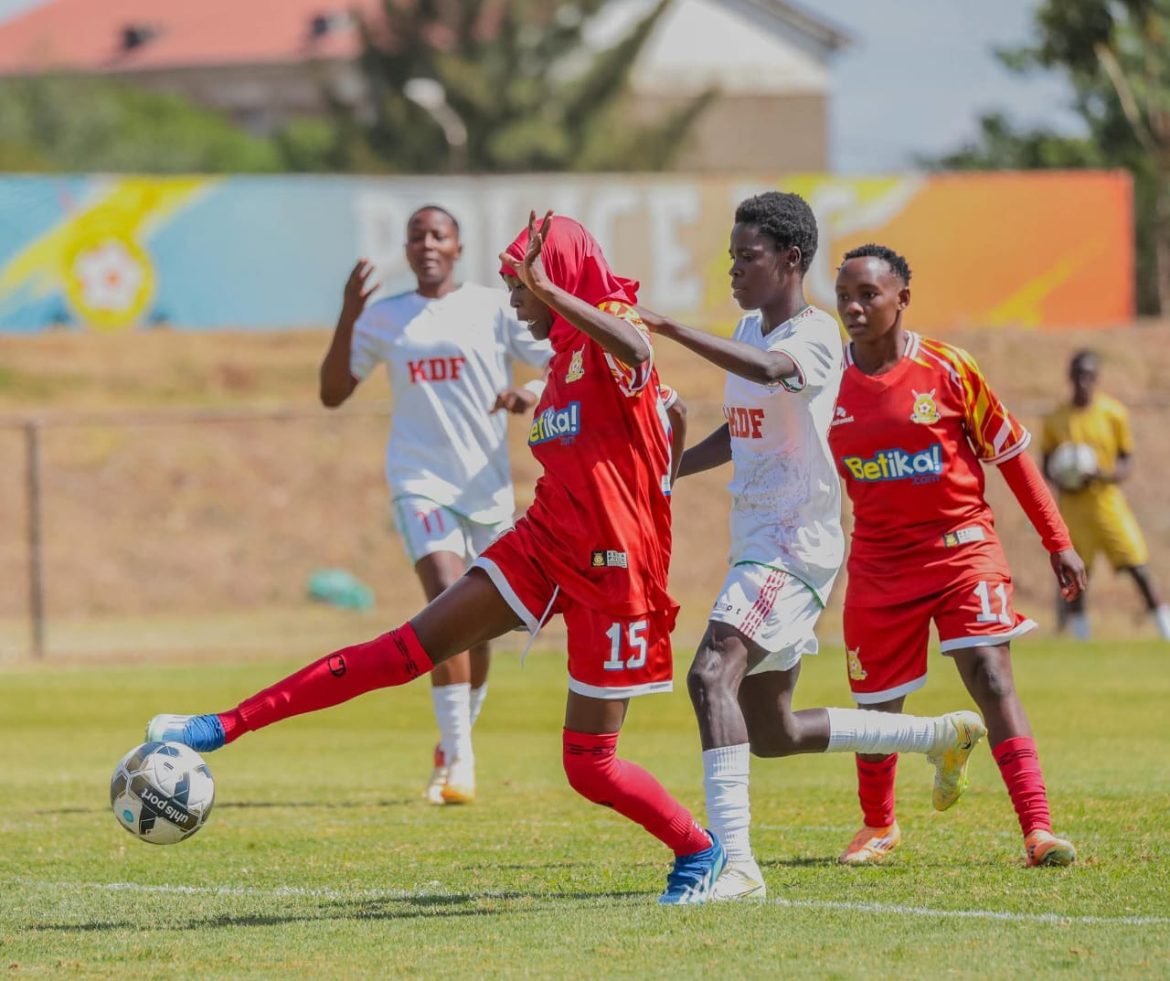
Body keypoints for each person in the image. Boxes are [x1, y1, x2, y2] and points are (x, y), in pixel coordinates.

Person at [146, 211, 724, 905]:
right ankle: (220, 725)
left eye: (522, 283)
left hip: (614, 573)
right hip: (544, 542)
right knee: (402, 649)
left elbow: (636, 349)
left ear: (558, 279)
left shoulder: (606, 331)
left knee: (589, 766)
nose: (514, 296)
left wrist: (554, 293)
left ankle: (698, 848)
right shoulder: (563, 356)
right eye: (512, 283)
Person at [637, 192, 987, 901]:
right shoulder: (748, 325)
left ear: (791, 260)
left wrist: (670, 328)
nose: (734, 268)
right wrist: (665, 468)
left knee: (710, 675)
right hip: (759, 541)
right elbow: (743, 428)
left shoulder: (817, 335)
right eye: (731, 255)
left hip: (792, 544)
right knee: (772, 730)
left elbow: (769, 372)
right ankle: (940, 736)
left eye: (748, 256)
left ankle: (737, 865)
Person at [829, 243, 1087, 868]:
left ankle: (1038, 829)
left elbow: (1013, 457)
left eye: (869, 295)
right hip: (878, 562)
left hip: (960, 549)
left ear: (902, 299)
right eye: (844, 297)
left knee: (992, 677)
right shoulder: (824, 379)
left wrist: (1060, 541)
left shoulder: (948, 369)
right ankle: (879, 825)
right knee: (876, 707)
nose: (854, 308)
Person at [318, 204, 553, 805]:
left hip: (487, 488)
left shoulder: (490, 307)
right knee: (448, 600)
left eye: (438, 235)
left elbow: (559, 367)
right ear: (406, 248)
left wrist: (526, 391)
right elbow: (333, 393)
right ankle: (463, 763)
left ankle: (451, 747)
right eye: (416, 236)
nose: (426, 244)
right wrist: (348, 314)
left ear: (457, 247)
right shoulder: (387, 319)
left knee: (478, 629)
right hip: (420, 482)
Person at [1041, 350, 1170, 641]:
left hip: (1107, 503)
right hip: (1073, 507)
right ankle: (1081, 640)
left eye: (1088, 375)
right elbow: (1046, 466)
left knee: (1138, 567)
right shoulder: (1056, 419)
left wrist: (1101, 474)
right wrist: (1065, 477)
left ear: (1096, 378)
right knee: (1077, 575)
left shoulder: (1113, 414)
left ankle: (1166, 632)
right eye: (1078, 375)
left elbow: (1126, 462)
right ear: (1069, 377)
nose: (1082, 381)